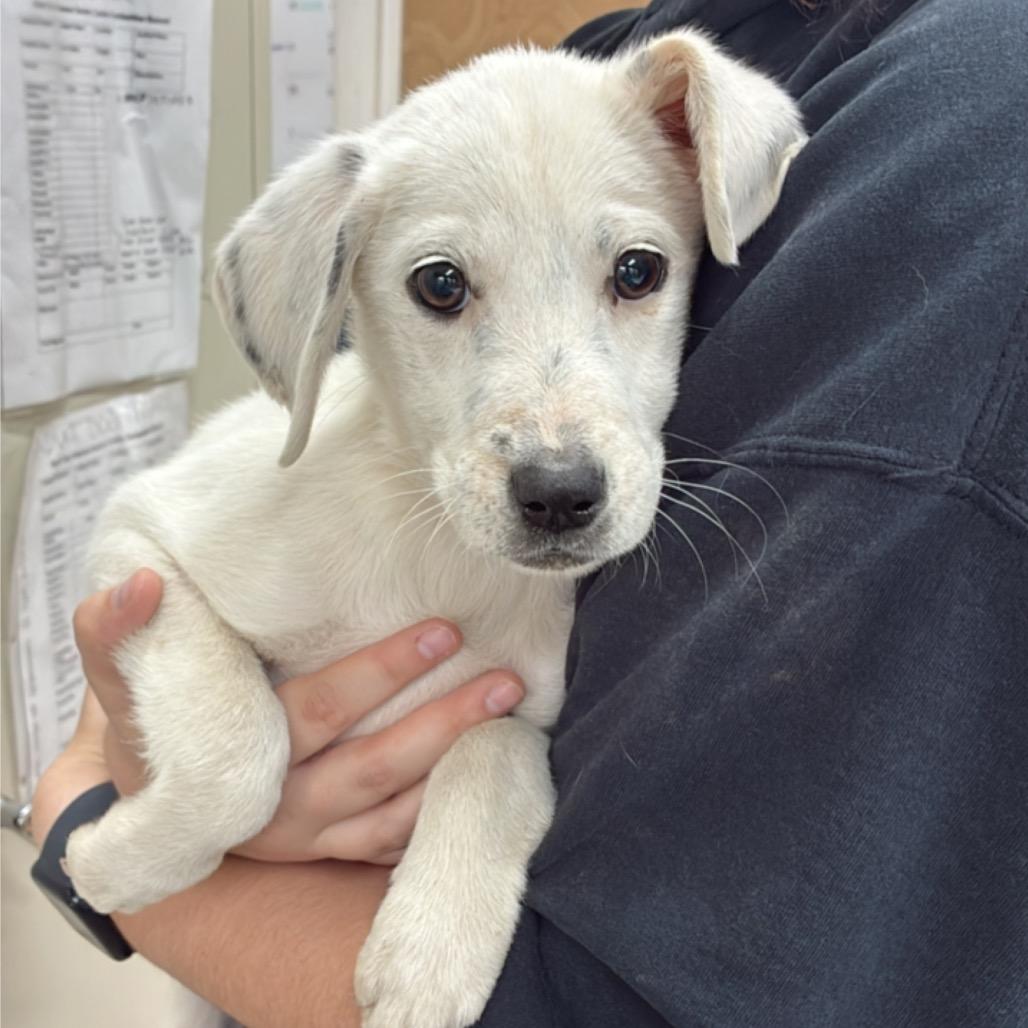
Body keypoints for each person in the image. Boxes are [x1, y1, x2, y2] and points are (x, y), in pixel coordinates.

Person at [31, 0, 1027, 1024]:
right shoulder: (606, 57)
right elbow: (142, 542)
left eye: (632, 274)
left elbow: (508, 734)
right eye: (443, 288)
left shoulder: (953, 129)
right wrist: (203, 783)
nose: (553, 458)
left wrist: (93, 819)